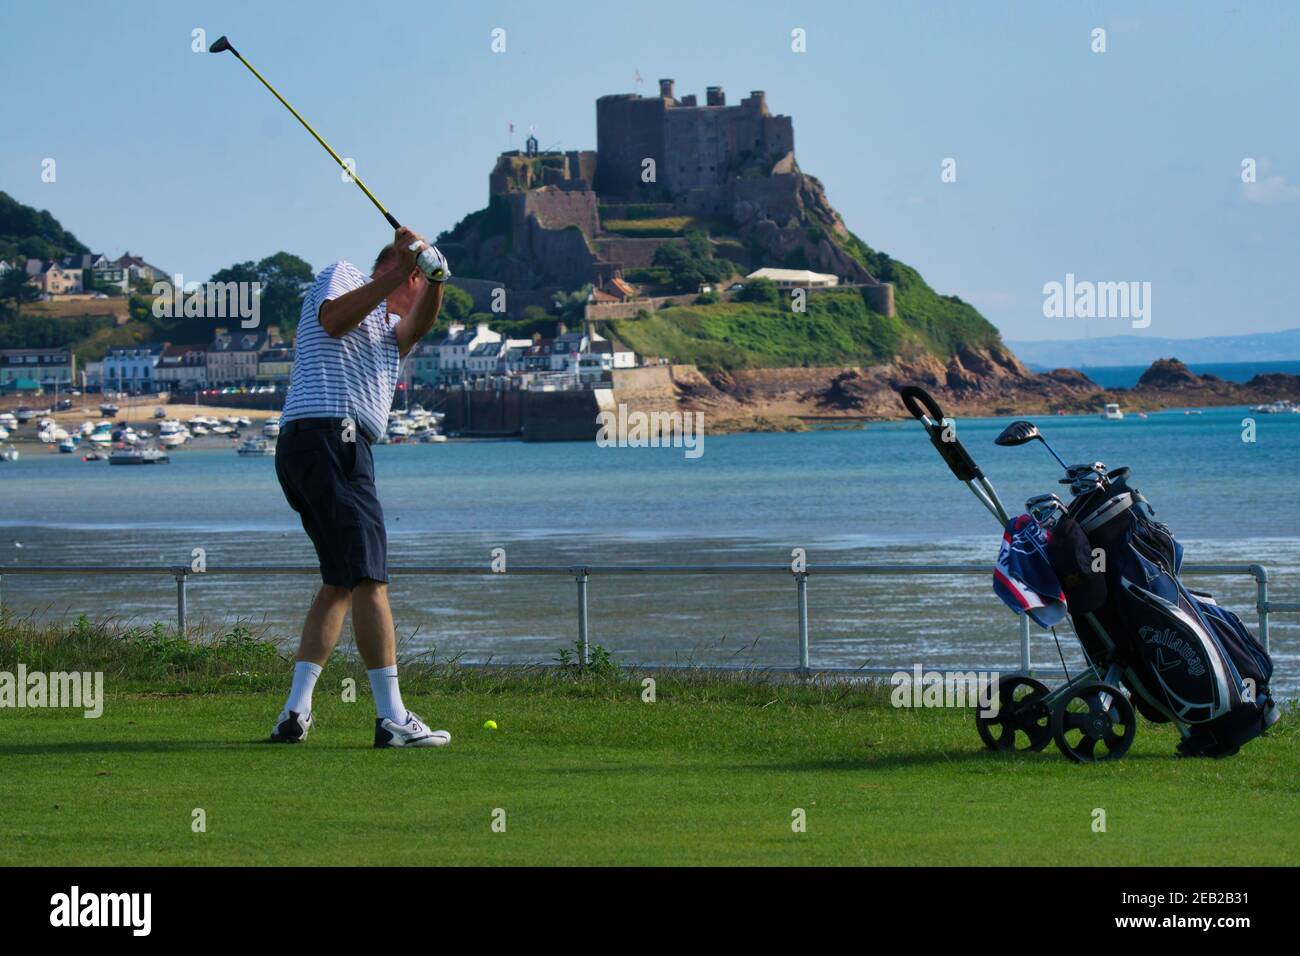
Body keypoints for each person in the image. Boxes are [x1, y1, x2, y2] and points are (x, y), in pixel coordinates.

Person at [270, 227, 450, 747]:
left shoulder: (393, 331)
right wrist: (400, 269)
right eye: (422, 279)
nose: (419, 292)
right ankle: (392, 718)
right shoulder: (343, 275)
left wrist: (436, 279)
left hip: (319, 446)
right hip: (331, 438)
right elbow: (332, 320)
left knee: (341, 582)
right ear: (402, 272)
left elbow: (420, 323)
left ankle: (295, 712)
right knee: (371, 578)